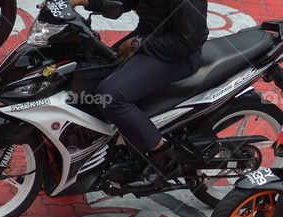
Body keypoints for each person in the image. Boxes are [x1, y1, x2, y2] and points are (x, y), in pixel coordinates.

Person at [70, 0, 209, 190]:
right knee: (92, 67)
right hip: (150, 37)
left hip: (176, 53)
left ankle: (164, 160)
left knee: (110, 94)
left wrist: (137, 44)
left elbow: (187, 41)